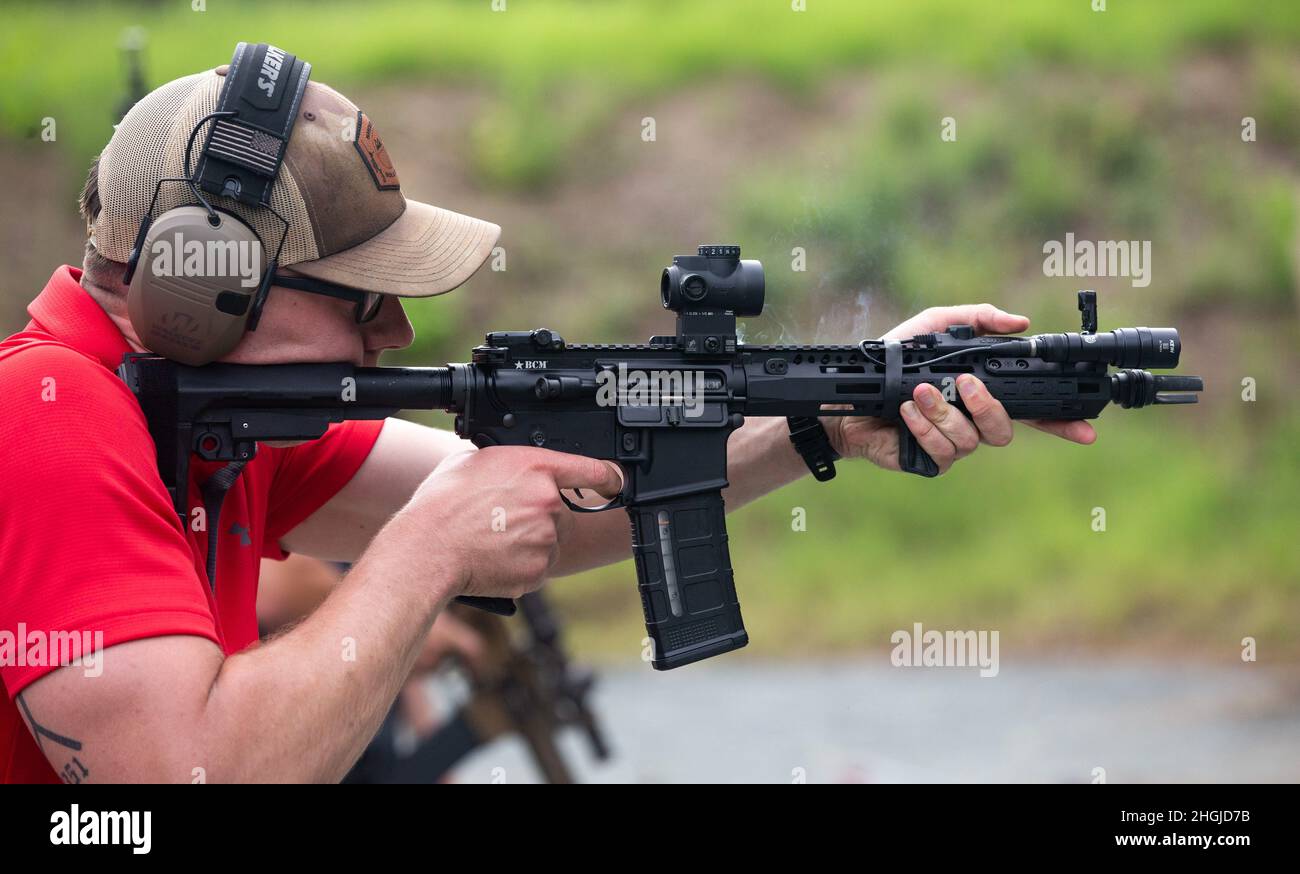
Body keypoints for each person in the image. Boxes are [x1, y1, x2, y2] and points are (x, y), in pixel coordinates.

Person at [0, 49, 1095, 783]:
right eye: (359, 299)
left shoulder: (214, 425)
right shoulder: (47, 413)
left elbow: (547, 507)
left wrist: (817, 419)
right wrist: (427, 554)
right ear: (208, 284)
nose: (392, 336)